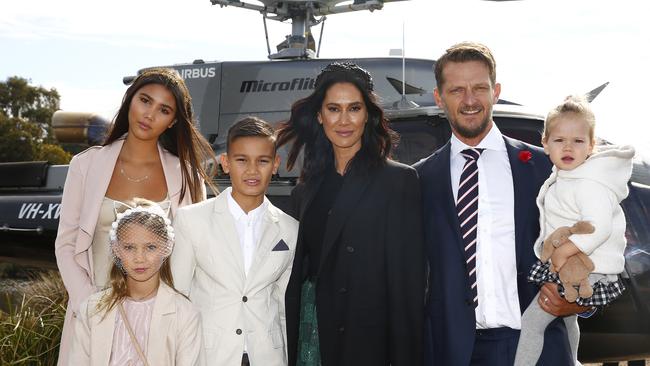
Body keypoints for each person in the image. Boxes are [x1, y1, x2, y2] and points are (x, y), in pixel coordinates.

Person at [414, 42, 590, 365]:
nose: (469, 100)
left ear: (495, 91)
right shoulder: (419, 180)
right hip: (455, 353)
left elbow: (593, 243)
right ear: (439, 98)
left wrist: (577, 303)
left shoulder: (544, 168)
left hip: (539, 348)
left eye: (479, 88)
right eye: (457, 90)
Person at [55, 68, 217, 365]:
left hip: (162, 321)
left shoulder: (188, 177)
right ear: (130, 100)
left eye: (164, 109)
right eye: (145, 100)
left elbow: (194, 254)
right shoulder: (85, 165)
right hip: (95, 312)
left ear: (174, 121)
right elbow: (65, 244)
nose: (149, 114)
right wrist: (89, 305)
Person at [277, 62, 424, 366]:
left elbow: (408, 288)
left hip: (369, 342)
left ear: (367, 115)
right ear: (320, 116)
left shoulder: (398, 181)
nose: (344, 120)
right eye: (333, 109)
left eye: (354, 108)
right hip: (312, 336)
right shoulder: (306, 189)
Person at [513, 96, 634, 365]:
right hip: (579, 263)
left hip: (591, 267)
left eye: (578, 141)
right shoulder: (565, 177)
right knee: (568, 318)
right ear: (544, 143)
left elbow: (598, 228)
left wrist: (563, 251)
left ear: (592, 146)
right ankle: (574, 361)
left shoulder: (589, 183)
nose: (568, 147)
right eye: (559, 140)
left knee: (531, 324)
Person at [171, 116, 299, 366]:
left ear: (275, 164)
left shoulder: (290, 229)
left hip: (268, 356)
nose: (252, 170)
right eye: (242, 160)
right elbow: (178, 297)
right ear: (226, 163)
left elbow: (283, 304)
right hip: (209, 355)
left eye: (262, 161)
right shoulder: (191, 220)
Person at [68, 199, 204, 365]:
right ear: (116, 249)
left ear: (166, 247)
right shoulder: (92, 308)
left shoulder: (184, 313)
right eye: (129, 247)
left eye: (151, 247)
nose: (139, 258)